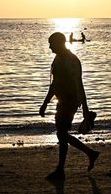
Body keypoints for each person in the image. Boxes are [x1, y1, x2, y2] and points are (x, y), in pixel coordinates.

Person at [39, 32, 99, 181]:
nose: (50, 47)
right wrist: (45, 103)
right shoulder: (58, 59)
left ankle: (61, 170)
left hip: (70, 101)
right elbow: (54, 84)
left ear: (60, 43)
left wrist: (85, 109)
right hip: (62, 101)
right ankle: (89, 154)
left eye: (51, 44)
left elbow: (80, 85)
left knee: (62, 133)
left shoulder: (71, 60)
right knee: (62, 134)